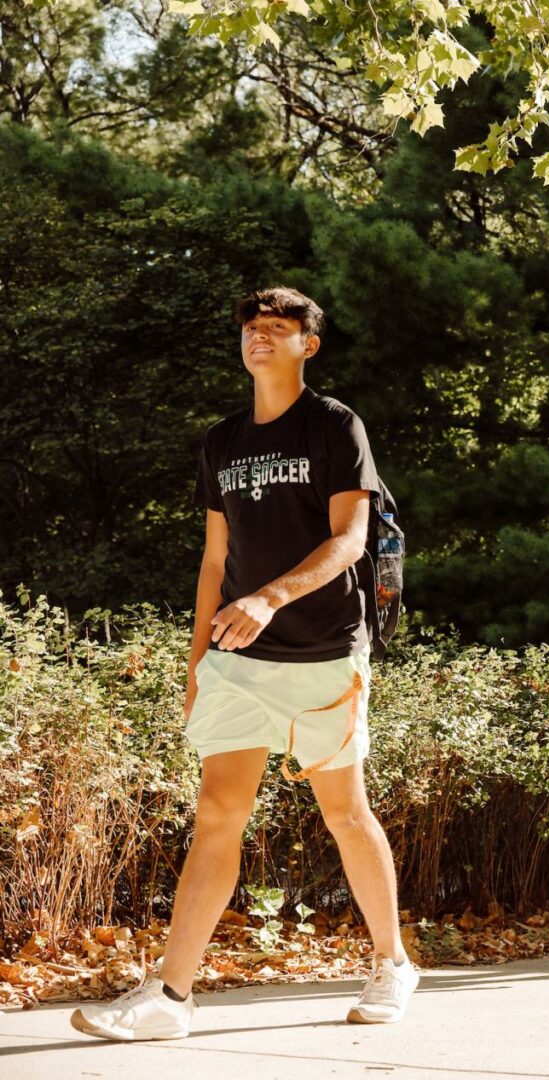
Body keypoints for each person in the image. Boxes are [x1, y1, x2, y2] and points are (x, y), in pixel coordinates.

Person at [72, 287, 416, 1041]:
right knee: (218, 814)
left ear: (307, 345)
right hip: (237, 659)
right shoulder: (222, 441)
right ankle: (170, 996)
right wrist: (197, 662)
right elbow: (214, 559)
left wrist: (270, 597)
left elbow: (349, 540)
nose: (259, 338)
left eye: (278, 329)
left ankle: (392, 962)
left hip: (325, 650)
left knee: (344, 813)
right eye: (251, 329)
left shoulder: (335, 425)